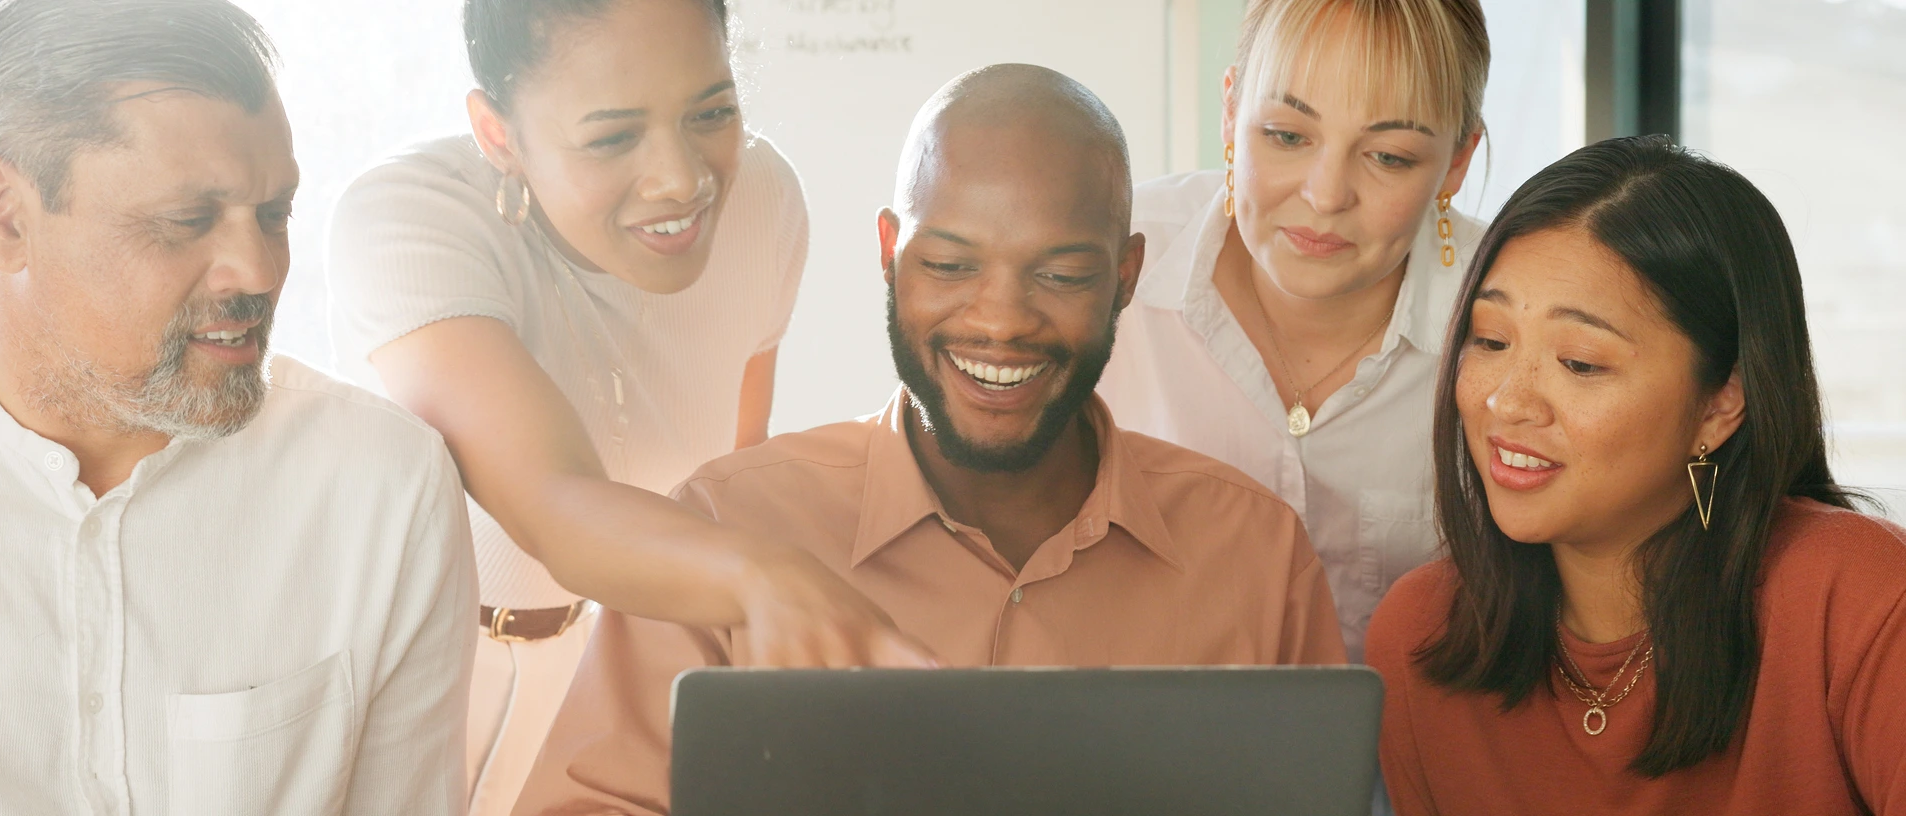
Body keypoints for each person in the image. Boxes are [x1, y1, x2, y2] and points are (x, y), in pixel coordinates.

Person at [524, 63, 1349, 816]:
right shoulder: (722, 527)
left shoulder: (1255, 555)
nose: (1000, 321)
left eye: (1061, 275)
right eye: (950, 266)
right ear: (889, 254)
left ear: (1126, 278)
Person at [0, 0, 476, 813]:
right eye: (186, 221)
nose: (257, 271)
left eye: (274, 215)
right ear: (3, 215)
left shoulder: (382, 487)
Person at [325, 0, 928, 811]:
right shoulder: (408, 218)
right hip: (407, 678)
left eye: (712, 112)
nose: (684, 178)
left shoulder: (764, 202)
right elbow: (553, 502)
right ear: (497, 134)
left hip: (604, 671)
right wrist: (769, 578)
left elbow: (730, 487)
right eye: (612, 137)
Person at [1368, 136, 1906, 815]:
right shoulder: (1421, 636)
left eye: (1581, 363)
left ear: (1721, 403)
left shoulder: (1860, 598)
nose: (1507, 401)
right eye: (1491, 341)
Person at [1097, 0, 1490, 661]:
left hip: (1408, 763)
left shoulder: (1510, 314)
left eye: (1389, 156)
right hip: (1141, 752)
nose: (1327, 194)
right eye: (1286, 136)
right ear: (1230, 113)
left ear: (1456, 161)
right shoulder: (1104, 262)